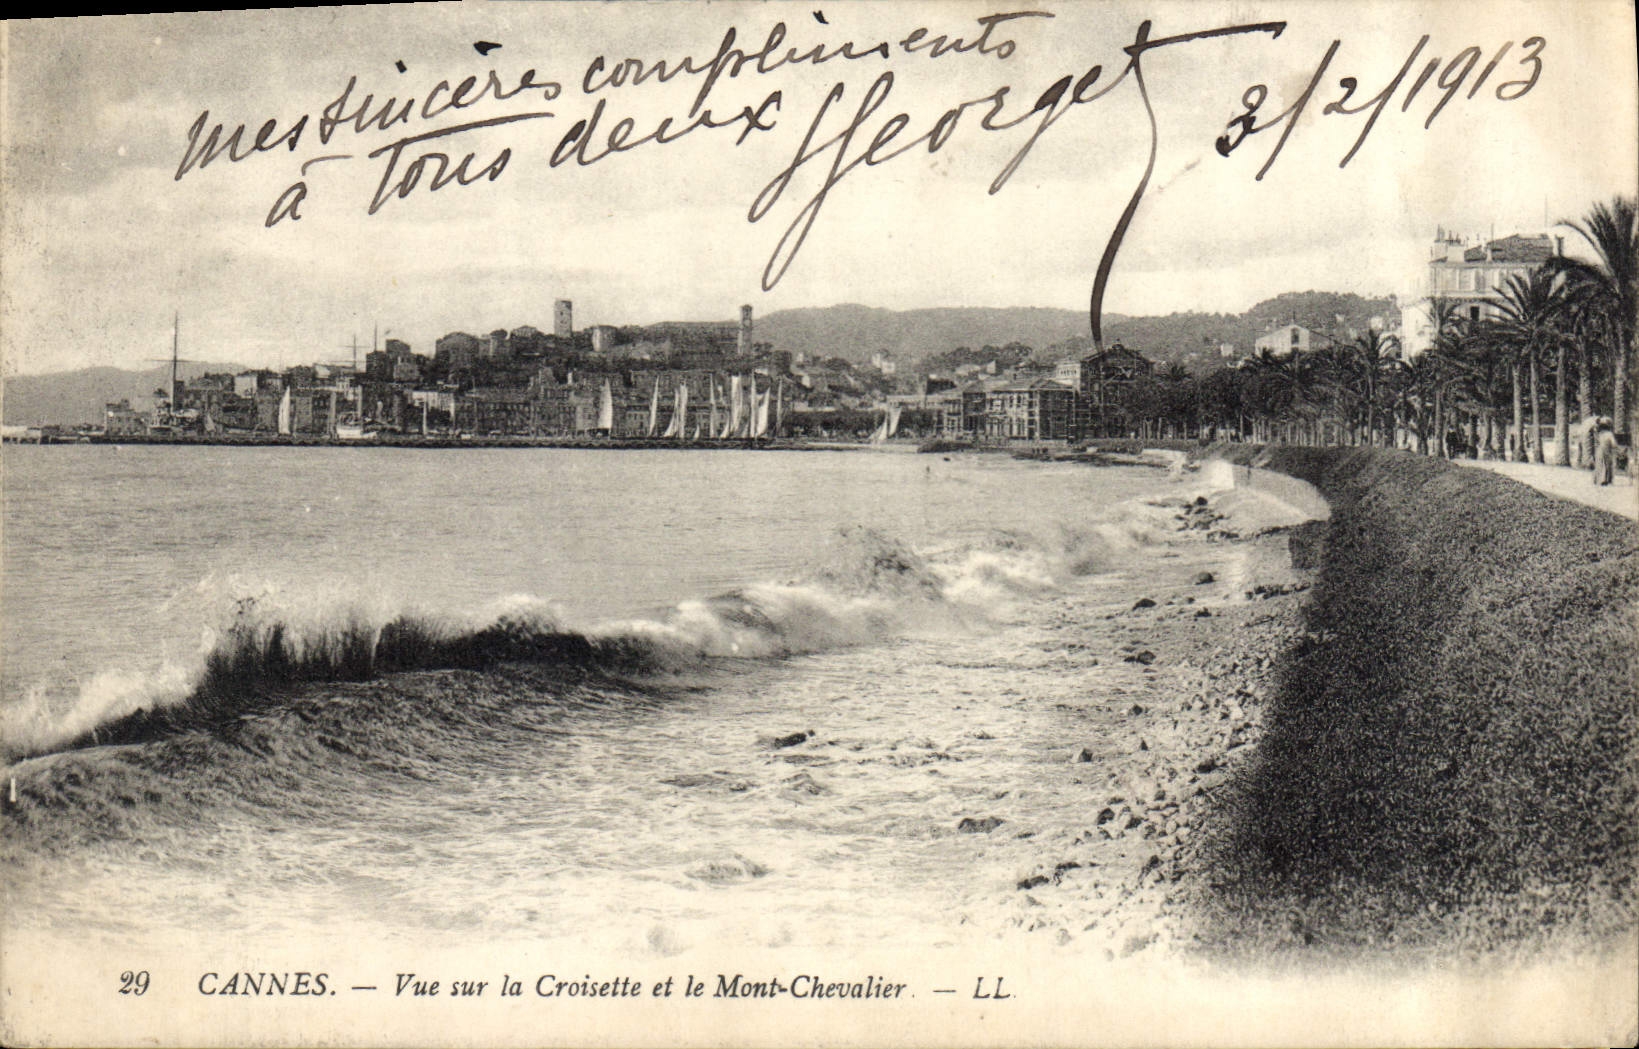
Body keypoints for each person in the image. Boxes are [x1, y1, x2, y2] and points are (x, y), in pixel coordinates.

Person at [1592, 417, 1617, 486]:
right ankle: (1605, 480)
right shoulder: (1609, 434)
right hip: (1607, 451)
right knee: (1607, 465)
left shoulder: (1599, 434)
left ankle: (1597, 480)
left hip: (1599, 450)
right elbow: (1614, 444)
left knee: (1599, 465)